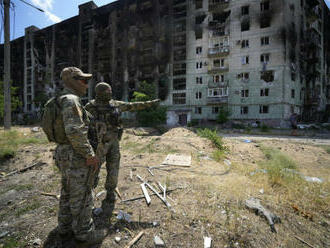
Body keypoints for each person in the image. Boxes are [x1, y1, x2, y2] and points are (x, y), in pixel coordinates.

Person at [51, 67, 107, 245]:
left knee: (67, 191)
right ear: (72, 81)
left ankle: (64, 228)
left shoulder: (61, 99)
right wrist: (90, 155)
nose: (86, 83)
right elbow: (74, 131)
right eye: (82, 80)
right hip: (76, 155)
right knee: (83, 195)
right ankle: (84, 234)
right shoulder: (72, 100)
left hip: (65, 153)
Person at [85, 82, 160, 215]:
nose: (110, 93)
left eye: (110, 91)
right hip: (98, 144)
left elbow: (134, 106)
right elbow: (82, 125)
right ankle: (87, 195)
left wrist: (152, 103)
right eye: (107, 91)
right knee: (94, 170)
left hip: (113, 142)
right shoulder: (90, 107)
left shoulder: (114, 104)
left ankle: (109, 193)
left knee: (113, 168)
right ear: (100, 92)